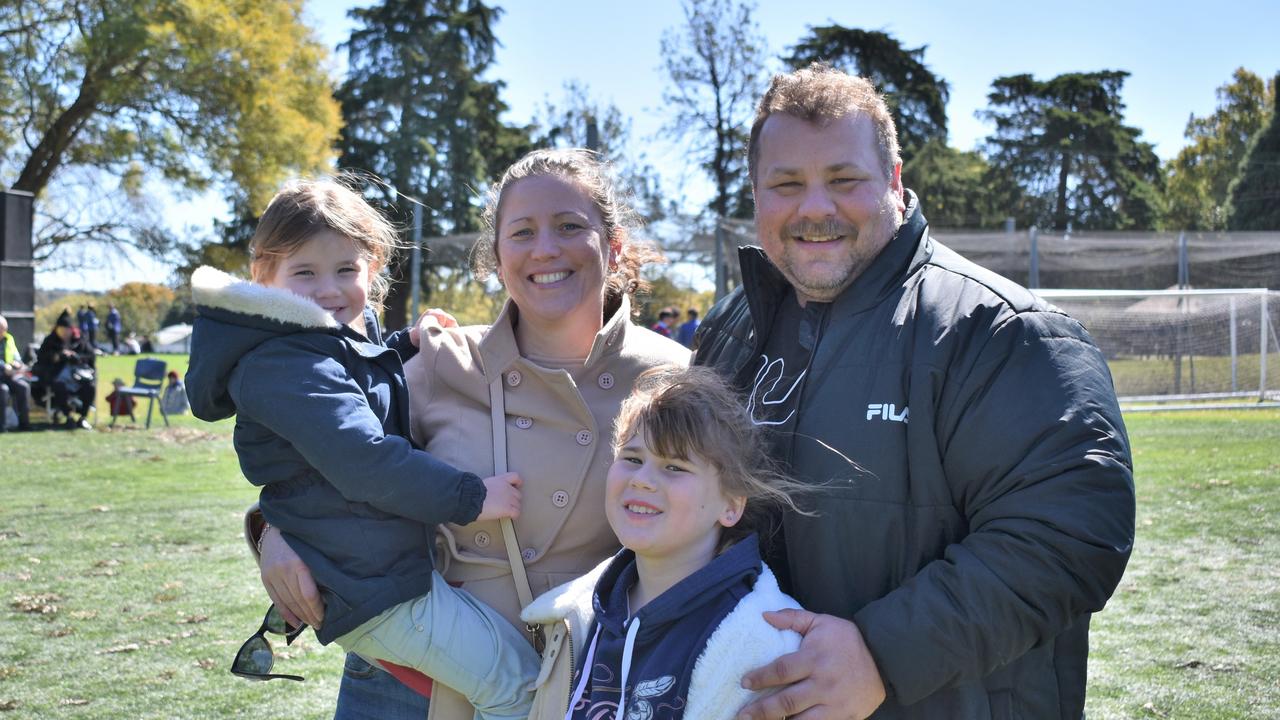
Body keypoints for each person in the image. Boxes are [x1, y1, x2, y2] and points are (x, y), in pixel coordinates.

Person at [692, 64, 1136, 719]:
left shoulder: (999, 332)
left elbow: (1069, 536)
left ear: (894, 183)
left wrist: (882, 654)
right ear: (755, 194)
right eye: (786, 184)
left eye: (844, 181)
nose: (815, 208)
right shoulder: (731, 328)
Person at [255, 148, 690, 720]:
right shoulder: (441, 358)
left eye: (569, 227)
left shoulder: (676, 378)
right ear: (497, 256)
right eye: (522, 232)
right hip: (407, 682)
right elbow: (321, 444)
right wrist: (275, 532)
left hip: (583, 681)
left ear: (611, 246)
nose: (545, 249)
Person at [187, 178, 542, 720]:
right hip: (373, 585)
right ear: (265, 275)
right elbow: (366, 461)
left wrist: (406, 342)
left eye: (346, 270)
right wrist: (472, 497)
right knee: (515, 685)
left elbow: (357, 377)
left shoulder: (315, 342)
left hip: (370, 568)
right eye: (305, 272)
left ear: (371, 268)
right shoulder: (285, 362)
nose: (329, 289)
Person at [515, 364, 811, 720]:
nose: (642, 480)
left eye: (674, 467)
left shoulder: (761, 644)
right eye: (633, 459)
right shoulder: (580, 613)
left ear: (731, 506)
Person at [32, 309, 97, 429]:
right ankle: (68, 416)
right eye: (61, 330)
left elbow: (90, 356)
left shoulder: (80, 340)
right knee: (59, 387)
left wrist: (76, 357)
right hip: (57, 375)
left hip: (79, 375)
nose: (64, 333)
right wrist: (56, 356)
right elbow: (41, 358)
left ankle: (82, 417)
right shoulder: (50, 341)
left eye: (66, 330)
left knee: (90, 387)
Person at [0, 314, 33, 432]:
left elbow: (16, 355)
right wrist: (4, 367)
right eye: (1, 329)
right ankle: (2, 426)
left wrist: (18, 363)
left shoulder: (9, 339)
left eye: (4, 329)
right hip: (1, 376)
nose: (3, 332)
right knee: (3, 390)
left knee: (23, 387)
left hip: (10, 376)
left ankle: (24, 424)